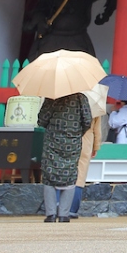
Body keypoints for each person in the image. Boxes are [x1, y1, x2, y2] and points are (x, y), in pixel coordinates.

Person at [37, 91, 92, 222]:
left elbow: (42, 120)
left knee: (49, 174)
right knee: (70, 174)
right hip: (72, 142)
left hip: (52, 141)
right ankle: (64, 214)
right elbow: (87, 121)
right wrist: (76, 132)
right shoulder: (81, 98)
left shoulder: (51, 97)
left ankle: (51, 214)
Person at [68, 109, 103, 220]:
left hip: (68, 140)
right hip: (86, 141)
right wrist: (96, 146)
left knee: (64, 175)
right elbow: (97, 131)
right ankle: (72, 210)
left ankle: (60, 207)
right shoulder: (94, 105)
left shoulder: (68, 102)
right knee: (80, 176)